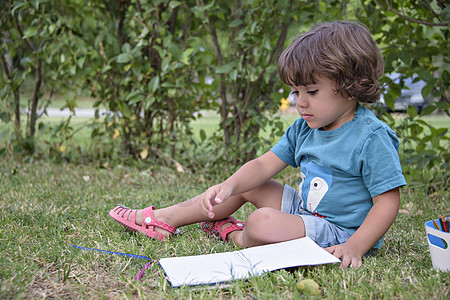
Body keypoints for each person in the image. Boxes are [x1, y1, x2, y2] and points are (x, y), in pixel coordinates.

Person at [109, 20, 407, 269]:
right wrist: (228, 186)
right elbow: (264, 165)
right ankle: (166, 218)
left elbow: (387, 201)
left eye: (311, 91)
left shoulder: (371, 137)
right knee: (247, 184)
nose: (299, 102)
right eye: (294, 91)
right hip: (305, 212)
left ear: (350, 84)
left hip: (341, 231)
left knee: (262, 222)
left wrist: (355, 246)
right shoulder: (305, 126)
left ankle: (235, 234)